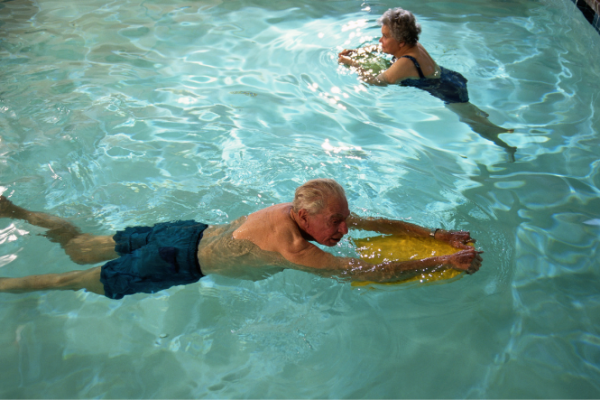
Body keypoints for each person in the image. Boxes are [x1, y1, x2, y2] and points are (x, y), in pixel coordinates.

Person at [0, 179, 482, 299]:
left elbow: (380, 225)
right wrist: (441, 262)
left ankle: (16, 212)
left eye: (344, 220)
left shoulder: (307, 210)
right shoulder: (295, 249)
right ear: (302, 217)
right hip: (175, 262)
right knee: (77, 278)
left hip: (186, 231)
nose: (343, 229)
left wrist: (435, 235)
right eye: (336, 224)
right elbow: (372, 272)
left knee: (83, 244)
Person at [338, 8, 517, 162]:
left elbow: (377, 81)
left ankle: (504, 144)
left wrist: (351, 63)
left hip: (448, 91)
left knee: (470, 120)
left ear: (400, 42)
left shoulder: (405, 63)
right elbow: (380, 49)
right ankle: (484, 120)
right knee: (469, 111)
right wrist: (357, 52)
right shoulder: (413, 45)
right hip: (452, 79)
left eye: (385, 36)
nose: (380, 40)